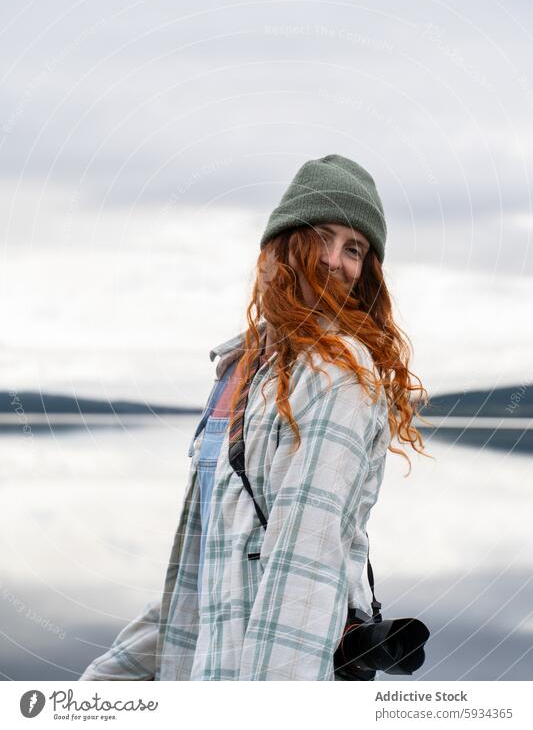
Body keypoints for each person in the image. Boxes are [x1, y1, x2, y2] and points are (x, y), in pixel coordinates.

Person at [79, 153, 429, 681]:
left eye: (354, 249)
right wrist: (99, 691)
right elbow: (200, 582)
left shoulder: (336, 374)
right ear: (278, 245)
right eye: (321, 236)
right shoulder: (239, 370)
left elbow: (303, 574)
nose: (335, 260)